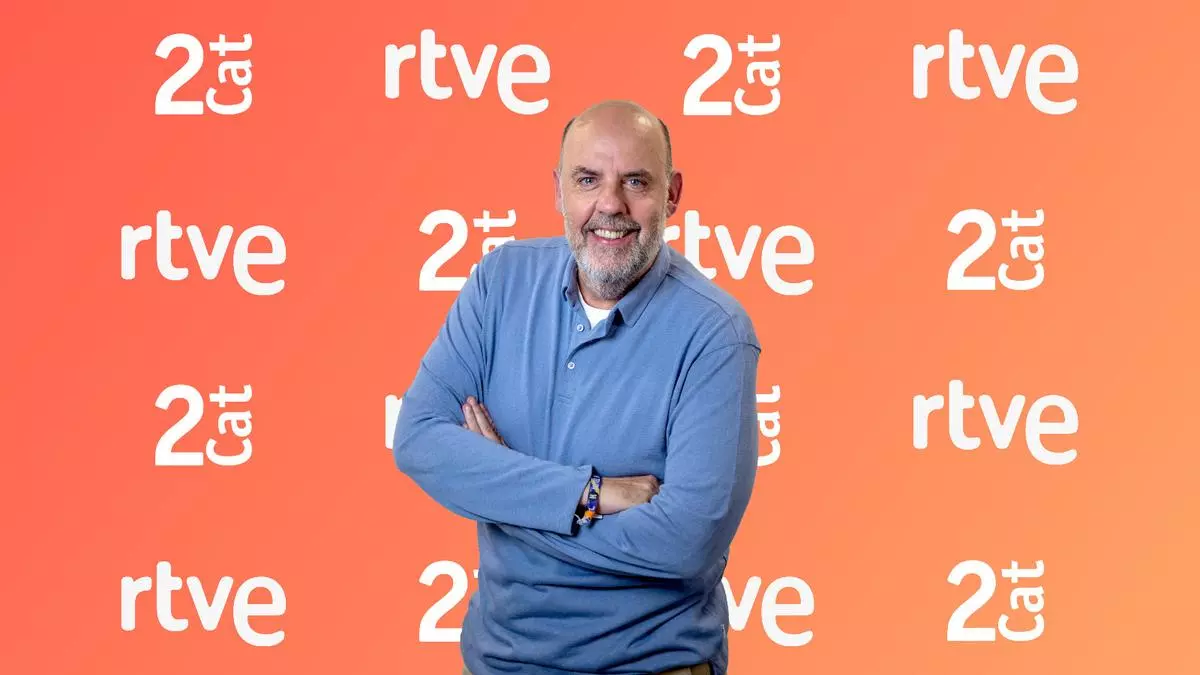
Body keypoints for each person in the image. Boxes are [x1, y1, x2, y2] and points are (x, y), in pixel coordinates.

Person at [392, 99, 761, 675]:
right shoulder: (500, 282)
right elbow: (417, 439)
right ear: (558, 190)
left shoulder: (716, 334)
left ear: (672, 195)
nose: (610, 204)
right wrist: (588, 495)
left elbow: (686, 543)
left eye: (635, 181)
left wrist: (504, 496)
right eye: (587, 180)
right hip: (497, 664)